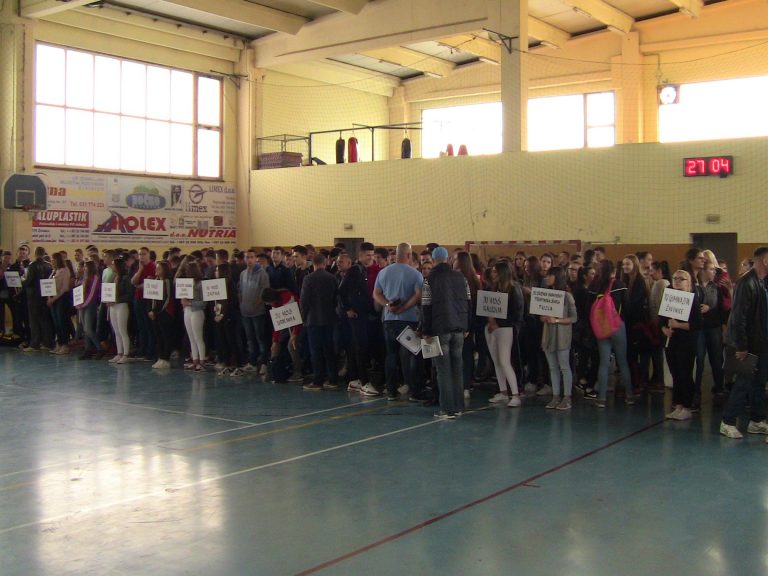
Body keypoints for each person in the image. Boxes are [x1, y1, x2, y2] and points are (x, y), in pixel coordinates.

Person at [720, 247, 768, 440]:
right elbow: (739, 317)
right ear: (765, 260)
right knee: (743, 382)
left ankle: (757, 420)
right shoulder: (746, 283)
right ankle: (728, 422)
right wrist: (742, 346)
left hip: (761, 342)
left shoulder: (762, 282)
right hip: (748, 344)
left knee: (759, 382)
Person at [421, 247, 471, 419]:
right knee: (457, 367)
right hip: (459, 328)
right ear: (448, 259)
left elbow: (426, 307)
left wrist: (426, 331)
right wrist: (467, 326)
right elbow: (468, 302)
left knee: (443, 370)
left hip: (440, 328)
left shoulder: (429, 280)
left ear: (433, 260)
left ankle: (447, 409)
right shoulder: (461, 278)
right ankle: (459, 406)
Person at [373, 242, 424, 400]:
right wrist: (405, 307)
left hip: (389, 320)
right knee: (414, 354)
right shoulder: (415, 274)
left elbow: (376, 294)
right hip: (409, 320)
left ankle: (391, 391)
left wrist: (388, 305)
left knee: (391, 355)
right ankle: (416, 391)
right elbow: (419, 295)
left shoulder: (383, 272)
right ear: (409, 255)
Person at [590, 260, 633, 408]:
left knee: (604, 363)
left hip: (601, 326)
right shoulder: (620, 285)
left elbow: (588, 307)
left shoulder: (595, 286)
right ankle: (629, 396)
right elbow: (627, 307)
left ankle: (601, 398)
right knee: (623, 362)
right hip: (617, 326)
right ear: (614, 271)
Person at [661, 270, 702, 421]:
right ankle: (678, 405)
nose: (677, 281)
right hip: (671, 340)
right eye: (675, 278)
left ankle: (687, 406)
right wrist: (664, 329)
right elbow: (661, 319)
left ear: (688, 282)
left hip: (686, 341)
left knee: (685, 373)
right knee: (675, 373)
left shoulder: (692, 299)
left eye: (681, 279)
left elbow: (697, 323)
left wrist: (678, 325)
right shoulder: (669, 297)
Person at [485, 261, 525, 408]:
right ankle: (503, 392)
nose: (493, 274)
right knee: (497, 361)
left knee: (504, 361)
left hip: (506, 329)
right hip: (492, 328)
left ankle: (515, 394)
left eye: (495, 272)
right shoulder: (495, 288)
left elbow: (516, 314)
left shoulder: (514, 289)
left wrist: (498, 323)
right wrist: (490, 321)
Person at [300, 253, 339, 391]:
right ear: (325, 262)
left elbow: (304, 301)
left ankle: (318, 381)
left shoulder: (308, 278)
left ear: (313, 264)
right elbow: (336, 299)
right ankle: (333, 379)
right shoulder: (332, 278)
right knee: (329, 350)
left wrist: (303, 318)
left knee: (315, 351)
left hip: (313, 319)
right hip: (330, 319)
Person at [541, 267, 577, 410]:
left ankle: (567, 397)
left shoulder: (567, 297)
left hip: (562, 336)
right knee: (552, 367)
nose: (547, 278)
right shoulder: (546, 295)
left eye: (550, 275)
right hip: (548, 335)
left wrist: (556, 320)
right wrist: (543, 317)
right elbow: (541, 313)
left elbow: (574, 318)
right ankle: (556, 396)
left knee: (564, 366)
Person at [336, 252, 371, 392]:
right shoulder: (354, 271)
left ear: (349, 263)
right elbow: (341, 291)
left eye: (341, 261)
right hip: (355, 316)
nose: (338, 264)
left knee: (354, 348)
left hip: (354, 315)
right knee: (358, 347)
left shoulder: (353, 272)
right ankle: (364, 382)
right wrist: (348, 309)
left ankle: (354, 379)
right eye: (338, 261)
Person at [239, 247, 271, 376]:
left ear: (256, 259)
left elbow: (265, 292)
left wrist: (257, 303)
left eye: (252, 257)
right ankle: (252, 362)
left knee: (260, 338)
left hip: (258, 312)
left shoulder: (262, 274)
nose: (249, 260)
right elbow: (240, 291)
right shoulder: (243, 274)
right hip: (245, 312)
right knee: (250, 339)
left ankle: (264, 363)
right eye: (247, 257)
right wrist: (242, 304)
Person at [21, 247, 54, 352]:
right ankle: (47, 343)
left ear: (35, 253)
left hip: (34, 296)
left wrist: (22, 280)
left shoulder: (32, 265)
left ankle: (35, 344)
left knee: (34, 321)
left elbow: (29, 281)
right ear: (44, 254)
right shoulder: (49, 265)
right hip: (45, 295)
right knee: (45, 321)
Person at [180, 261, 206, 371]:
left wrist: (190, 303)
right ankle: (195, 360)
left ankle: (202, 361)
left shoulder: (200, 284)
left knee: (198, 337)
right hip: (187, 311)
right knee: (191, 338)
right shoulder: (187, 283)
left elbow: (204, 303)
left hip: (197, 311)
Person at [149, 261, 175, 369]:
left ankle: (166, 358)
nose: (156, 270)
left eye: (159, 268)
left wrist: (158, 311)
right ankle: (160, 357)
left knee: (166, 336)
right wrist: (152, 310)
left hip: (165, 313)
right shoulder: (156, 281)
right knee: (158, 336)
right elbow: (153, 298)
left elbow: (168, 298)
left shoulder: (167, 281)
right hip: (155, 313)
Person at [108, 258, 134, 364]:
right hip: (113, 306)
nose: (111, 266)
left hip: (121, 305)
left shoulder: (126, 278)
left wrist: (117, 300)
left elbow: (129, 294)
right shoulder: (114, 277)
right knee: (116, 331)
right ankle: (119, 353)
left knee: (122, 330)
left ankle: (126, 354)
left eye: (113, 264)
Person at [48, 252, 73, 354]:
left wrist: (54, 298)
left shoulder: (65, 270)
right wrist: (49, 298)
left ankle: (65, 344)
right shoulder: (54, 271)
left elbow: (64, 288)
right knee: (56, 323)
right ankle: (59, 343)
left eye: (54, 260)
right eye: (51, 260)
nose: (52, 262)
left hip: (61, 298)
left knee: (62, 322)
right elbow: (48, 285)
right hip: (53, 298)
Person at [76, 260, 101, 359]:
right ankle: (87, 349)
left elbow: (92, 294)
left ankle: (99, 348)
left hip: (90, 305)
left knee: (88, 329)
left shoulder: (95, 278)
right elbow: (80, 291)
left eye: (86, 267)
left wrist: (84, 304)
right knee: (85, 329)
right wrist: (79, 303)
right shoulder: (84, 278)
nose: (84, 268)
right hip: (82, 305)